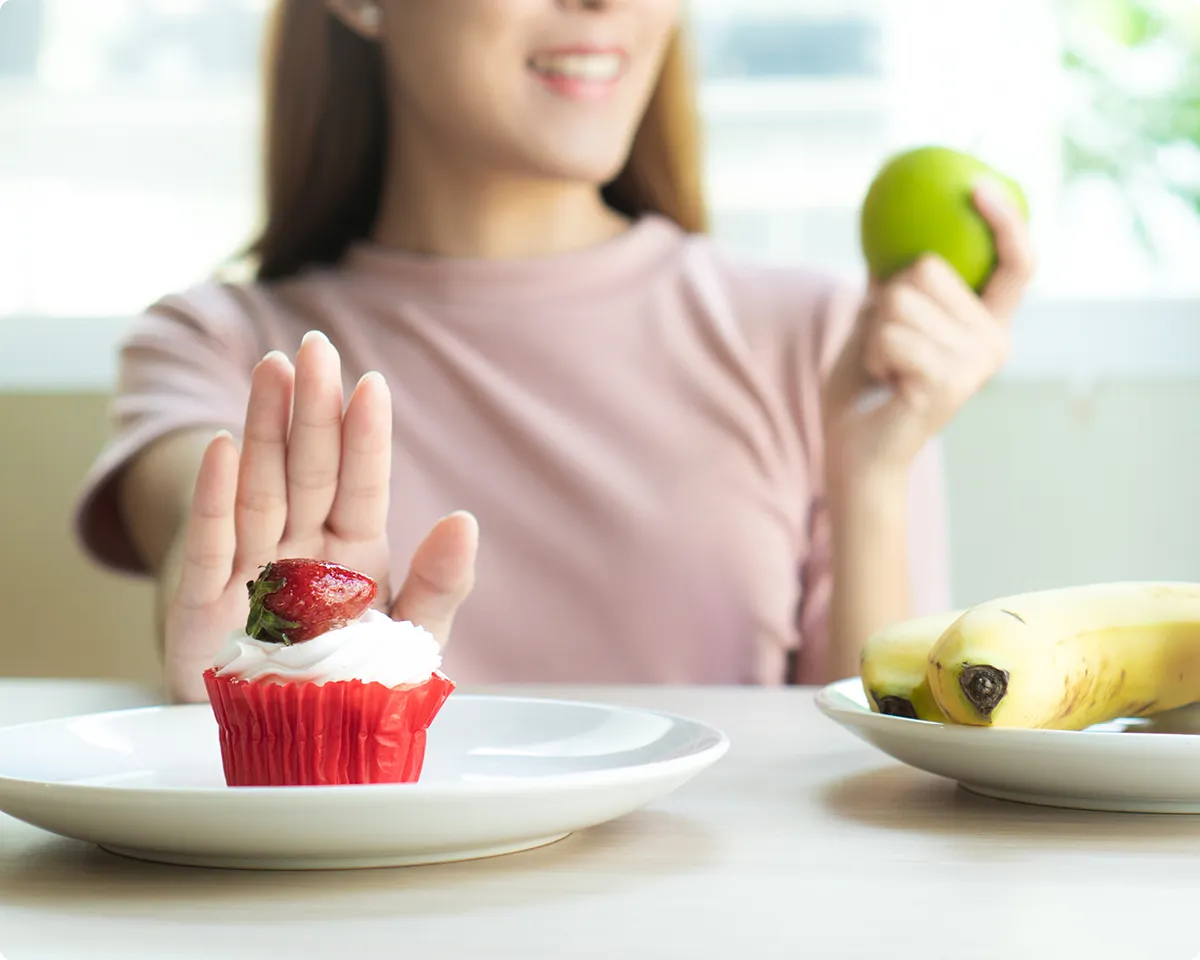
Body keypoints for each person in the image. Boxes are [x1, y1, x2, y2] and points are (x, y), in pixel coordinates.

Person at [74, 0, 1035, 703]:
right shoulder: (218, 347)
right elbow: (203, 584)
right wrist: (251, 674)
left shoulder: (824, 342)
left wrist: (871, 475)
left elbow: (868, 779)